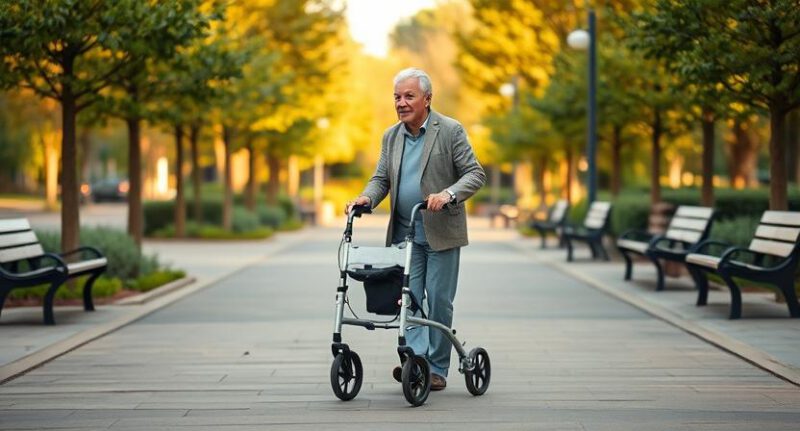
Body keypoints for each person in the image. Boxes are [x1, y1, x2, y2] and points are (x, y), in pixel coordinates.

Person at [345, 67, 486, 391]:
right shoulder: (391, 136)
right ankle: (417, 362)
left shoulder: (450, 130)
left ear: (427, 99)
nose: (401, 102)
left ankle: (437, 368)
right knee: (407, 300)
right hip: (404, 236)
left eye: (409, 96)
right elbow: (382, 178)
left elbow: (475, 174)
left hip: (440, 233)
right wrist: (366, 197)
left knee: (437, 301)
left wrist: (448, 194)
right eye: (397, 96)